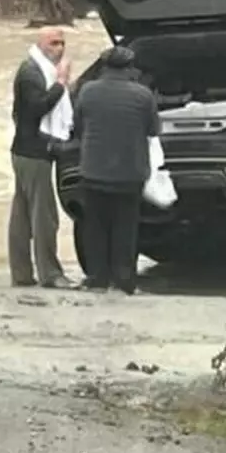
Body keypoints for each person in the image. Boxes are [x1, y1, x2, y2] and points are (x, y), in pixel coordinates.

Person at [72, 44, 160, 294]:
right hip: (129, 173)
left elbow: (78, 126)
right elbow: (153, 130)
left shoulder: (87, 91)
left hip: (93, 170)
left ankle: (97, 278)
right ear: (130, 68)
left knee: (95, 227)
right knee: (125, 228)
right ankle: (124, 280)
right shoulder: (143, 95)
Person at [8, 25, 71, 288]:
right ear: (41, 44)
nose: (59, 49)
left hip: (23, 149)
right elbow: (36, 109)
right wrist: (60, 84)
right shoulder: (32, 72)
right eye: (53, 43)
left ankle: (22, 274)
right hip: (33, 153)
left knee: (22, 215)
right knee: (44, 216)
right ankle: (51, 275)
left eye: (61, 43)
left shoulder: (36, 69)